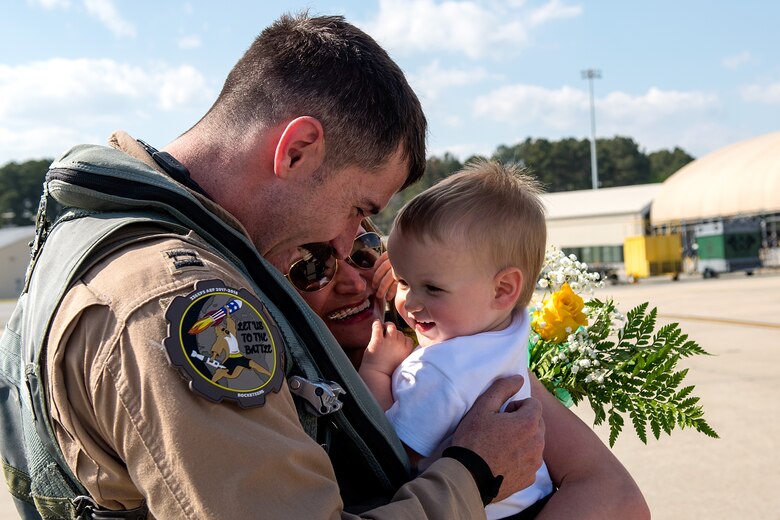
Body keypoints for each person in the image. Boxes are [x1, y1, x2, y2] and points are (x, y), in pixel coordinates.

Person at [0, 12, 549, 520]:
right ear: (298, 149)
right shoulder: (178, 306)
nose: (347, 239)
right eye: (358, 206)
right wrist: (473, 474)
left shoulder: (103, 236)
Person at [293, 219, 650, 519]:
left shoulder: (459, 352)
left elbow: (619, 498)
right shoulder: (287, 406)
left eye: (363, 250)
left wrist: (409, 280)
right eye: (314, 268)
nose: (354, 282)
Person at [366, 162, 648, 519]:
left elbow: (394, 454)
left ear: (503, 289)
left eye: (432, 288)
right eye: (403, 281)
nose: (409, 302)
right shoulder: (511, 328)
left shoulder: (438, 370)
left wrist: (377, 370)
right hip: (539, 498)